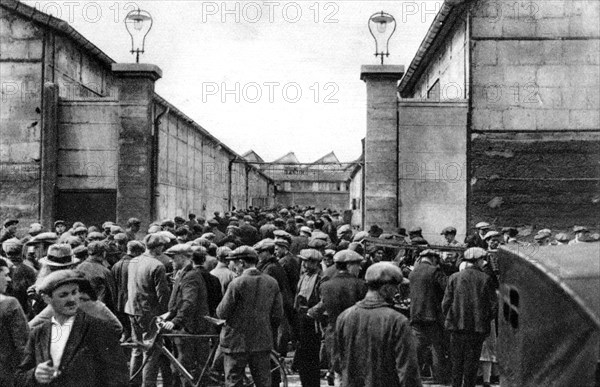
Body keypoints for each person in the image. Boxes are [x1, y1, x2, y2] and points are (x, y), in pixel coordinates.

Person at [16, 270, 128, 387]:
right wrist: (34, 375)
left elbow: (119, 377)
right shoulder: (39, 333)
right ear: (47, 299)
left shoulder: (99, 329)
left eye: (74, 292)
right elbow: (20, 377)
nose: (72, 299)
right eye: (63, 295)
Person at [334, 262, 421, 387]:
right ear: (385, 288)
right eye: (395, 287)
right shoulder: (397, 321)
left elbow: (337, 363)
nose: (396, 292)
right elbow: (408, 372)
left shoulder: (344, 317)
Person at [217, 246, 284, 387]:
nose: (233, 267)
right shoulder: (271, 282)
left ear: (242, 263)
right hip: (262, 341)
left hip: (236, 343)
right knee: (263, 382)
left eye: (234, 263)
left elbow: (222, 312)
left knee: (234, 381)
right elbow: (278, 315)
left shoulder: (237, 283)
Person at [442, 247, 497, 387]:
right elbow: (494, 306)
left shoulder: (454, 277)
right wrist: (485, 319)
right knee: (471, 364)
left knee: (456, 363)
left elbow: (445, 303)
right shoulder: (486, 279)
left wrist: (449, 318)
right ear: (478, 261)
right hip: (477, 329)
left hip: (455, 326)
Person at [310, 249, 367, 385]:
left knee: (339, 372)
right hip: (357, 334)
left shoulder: (325, 286)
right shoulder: (361, 285)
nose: (359, 268)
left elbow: (322, 307)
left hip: (333, 333)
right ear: (348, 265)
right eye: (357, 264)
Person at [125, 233, 172, 387]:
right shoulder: (157, 266)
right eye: (162, 246)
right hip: (149, 313)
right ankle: (148, 384)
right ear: (158, 247)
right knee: (151, 352)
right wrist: (166, 314)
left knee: (137, 349)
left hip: (132, 309)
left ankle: (134, 383)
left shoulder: (133, 261)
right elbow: (162, 295)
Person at [163, 244, 212, 385]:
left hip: (190, 328)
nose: (171, 261)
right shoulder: (183, 274)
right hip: (188, 326)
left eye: (173, 257)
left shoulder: (190, 276)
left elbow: (189, 302)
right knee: (184, 367)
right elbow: (179, 301)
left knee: (185, 368)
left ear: (183, 257)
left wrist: (176, 321)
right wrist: (168, 314)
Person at [409, 249, 450, 384]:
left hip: (415, 315)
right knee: (436, 348)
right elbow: (447, 288)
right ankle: (440, 379)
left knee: (418, 348)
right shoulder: (435, 271)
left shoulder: (413, 272)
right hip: (433, 316)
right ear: (433, 258)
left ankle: (414, 377)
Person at [293, 249, 325, 387]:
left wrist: (312, 312)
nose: (304, 264)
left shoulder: (321, 278)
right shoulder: (304, 276)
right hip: (301, 319)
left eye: (307, 261)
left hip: (313, 322)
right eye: (304, 261)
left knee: (311, 357)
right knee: (302, 357)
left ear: (315, 263)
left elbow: (324, 300)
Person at [0, 258, 29, 387]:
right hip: (7, 375)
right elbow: (24, 344)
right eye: (5, 275)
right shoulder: (9, 304)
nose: (9, 279)